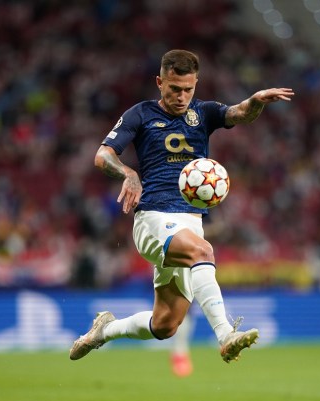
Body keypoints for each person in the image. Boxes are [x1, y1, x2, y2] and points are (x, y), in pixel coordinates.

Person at [69, 49, 294, 364]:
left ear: (196, 84)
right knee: (203, 252)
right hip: (154, 217)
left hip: (190, 224)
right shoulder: (140, 114)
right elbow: (103, 155)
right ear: (159, 82)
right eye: (174, 89)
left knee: (165, 325)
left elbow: (240, 113)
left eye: (188, 89)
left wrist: (255, 101)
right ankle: (226, 335)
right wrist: (129, 173)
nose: (181, 96)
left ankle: (104, 330)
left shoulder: (204, 112)